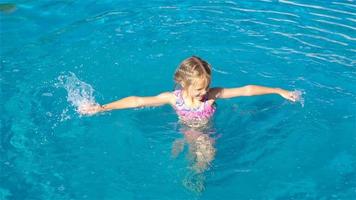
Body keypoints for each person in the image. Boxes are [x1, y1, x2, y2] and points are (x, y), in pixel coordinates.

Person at [79, 56, 300, 192]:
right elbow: (137, 100)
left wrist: (278, 90)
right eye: (199, 89)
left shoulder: (213, 95)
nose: (204, 93)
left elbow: (246, 89)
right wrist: (102, 107)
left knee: (203, 154)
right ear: (183, 84)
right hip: (185, 129)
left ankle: (193, 176)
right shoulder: (173, 98)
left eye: (207, 87)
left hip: (205, 131)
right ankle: (192, 177)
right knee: (203, 153)